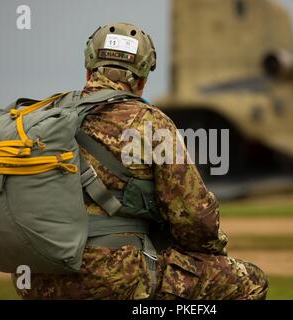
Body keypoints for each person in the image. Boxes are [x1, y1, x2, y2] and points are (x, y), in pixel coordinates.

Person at [13, 22, 268, 300]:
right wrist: (213, 251)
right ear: (143, 78)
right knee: (249, 281)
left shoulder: (44, 119)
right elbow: (195, 220)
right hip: (114, 277)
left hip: (36, 279)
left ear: (88, 70)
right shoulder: (152, 124)